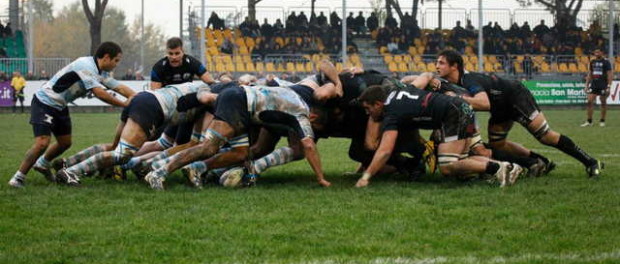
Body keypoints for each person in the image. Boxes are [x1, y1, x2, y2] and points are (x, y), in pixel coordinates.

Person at [435, 49, 603, 178]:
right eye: (437, 62)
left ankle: (590, 162)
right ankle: (540, 162)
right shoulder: (454, 83)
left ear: (454, 66)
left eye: (441, 63)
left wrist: (457, 98)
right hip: (500, 108)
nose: (437, 66)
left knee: (545, 136)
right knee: (497, 145)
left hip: (516, 98)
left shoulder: (468, 80)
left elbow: (484, 103)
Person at [144, 84, 331, 190]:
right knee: (209, 147)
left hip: (241, 100)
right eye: (314, 127)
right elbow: (309, 146)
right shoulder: (302, 114)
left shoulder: (293, 95)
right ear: (313, 117)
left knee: (241, 153)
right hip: (239, 103)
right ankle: (159, 173)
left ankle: (196, 169)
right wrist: (321, 178)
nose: (311, 131)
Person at [354, 73, 522, 188]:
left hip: (453, 113)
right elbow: (424, 78)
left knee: (448, 165)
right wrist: (432, 78)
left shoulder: (391, 112)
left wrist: (366, 176)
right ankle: (507, 167)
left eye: (368, 109)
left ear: (378, 104)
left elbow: (384, 151)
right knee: (462, 160)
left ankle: (498, 169)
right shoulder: (400, 91)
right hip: (460, 108)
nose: (368, 113)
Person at [8, 42, 136, 188]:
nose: (117, 64)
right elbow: (99, 93)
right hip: (45, 102)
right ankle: (18, 177)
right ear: (106, 57)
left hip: (60, 106)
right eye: (116, 60)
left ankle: (42, 164)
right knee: (42, 142)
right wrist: (124, 104)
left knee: (65, 143)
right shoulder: (85, 65)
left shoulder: (101, 73)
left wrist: (141, 98)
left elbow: (119, 87)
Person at [55, 82, 214, 186]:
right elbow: (205, 97)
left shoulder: (194, 86)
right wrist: (221, 98)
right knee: (121, 154)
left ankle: (68, 163)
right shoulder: (206, 89)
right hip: (151, 107)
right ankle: (70, 172)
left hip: (143, 99)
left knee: (114, 147)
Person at [581, 48, 612, 127]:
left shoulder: (606, 62)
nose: (596, 53)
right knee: (589, 101)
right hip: (594, 84)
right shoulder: (592, 62)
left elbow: (609, 74)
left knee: (603, 102)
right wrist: (586, 85)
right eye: (595, 52)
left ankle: (602, 121)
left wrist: (608, 86)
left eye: (598, 52)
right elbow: (590, 74)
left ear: (602, 52)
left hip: (603, 84)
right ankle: (589, 121)